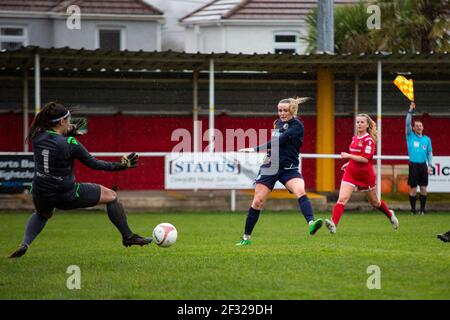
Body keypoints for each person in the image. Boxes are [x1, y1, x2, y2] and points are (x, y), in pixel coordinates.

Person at [9, 102, 152, 258]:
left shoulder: (37, 136)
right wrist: (122, 166)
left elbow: (54, 139)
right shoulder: (71, 143)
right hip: (65, 194)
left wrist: (69, 132)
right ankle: (128, 237)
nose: (70, 123)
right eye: (68, 120)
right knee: (111, 196)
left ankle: (25, 243)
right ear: (62, 122)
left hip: (40, 192)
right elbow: (95, 164)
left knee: (42, 214)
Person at [236, 97, 323, 246]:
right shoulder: (277, 123)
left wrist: (254, 149)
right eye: (280, 110)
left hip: (289, 168)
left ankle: (311, 223)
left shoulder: (297, 126)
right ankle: (246, 238)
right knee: (257, 201)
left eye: (285, 110)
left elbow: (278, 141)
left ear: (292, 111)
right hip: (271, 166)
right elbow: (276, 145)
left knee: (300, 191)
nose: (282, 113)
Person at [325, 114, 399, 234]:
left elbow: (365, 159)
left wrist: (349, 156)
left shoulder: (369, 140)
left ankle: (390, 214)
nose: (359, 124)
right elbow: (356, 156)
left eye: (362, 122)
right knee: (342, 199)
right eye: (357, 122)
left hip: (365, 175)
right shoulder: (354, 138)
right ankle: (333, 224)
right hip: (351, 173)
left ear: (367, 125)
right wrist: (349, 163)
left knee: (375, 203)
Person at [406, 102, 433, 215]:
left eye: (420, 126)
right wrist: (410, 111)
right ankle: (413, 210)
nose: (418, 127)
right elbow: (407, 123)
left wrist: (430, 165)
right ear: (413, 128)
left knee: (423, 188)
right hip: (413, 165)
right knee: (413, 189)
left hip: (423, 166)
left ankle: (422, 210)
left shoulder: (427, 139)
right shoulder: (410, 135)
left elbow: (429, 153)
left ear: (423, 127)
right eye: (416, 126)